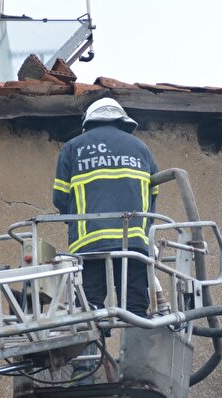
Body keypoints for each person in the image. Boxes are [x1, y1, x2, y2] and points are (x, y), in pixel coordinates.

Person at [53, 98, 159, 318]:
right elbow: (153, 196)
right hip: (133, 243)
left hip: (89, 244)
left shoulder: (73, 147)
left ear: (89, 121)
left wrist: (72, 220)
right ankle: (136, 346)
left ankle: (94, 347)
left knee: (89, 309)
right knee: (135, 308)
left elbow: (60, 198)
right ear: (122, 121)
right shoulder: (141, 148)